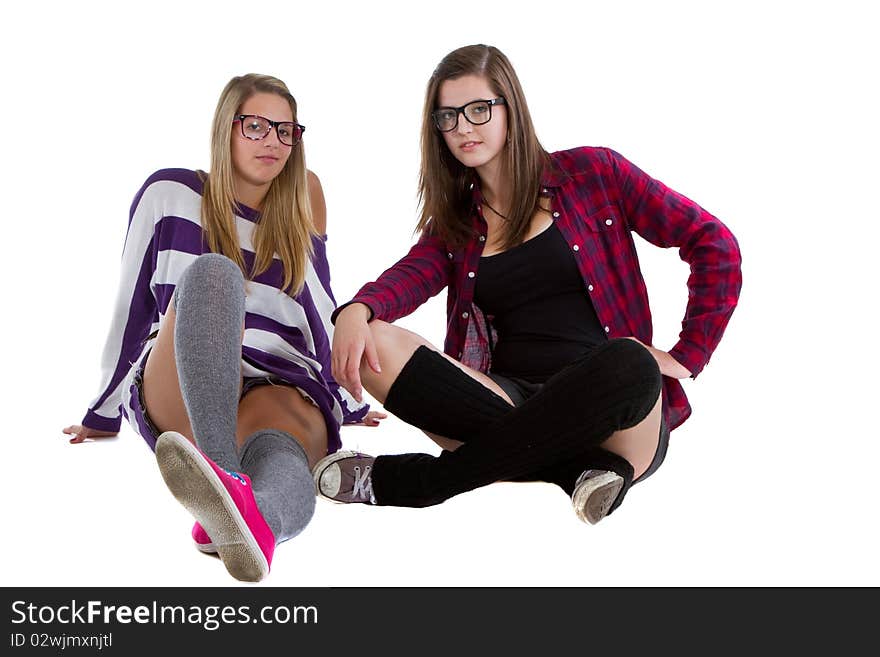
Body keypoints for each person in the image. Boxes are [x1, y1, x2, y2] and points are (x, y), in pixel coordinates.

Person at [315, 44, 741, 523]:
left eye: (479, 109)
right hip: (503, 399)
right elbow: (407, 277)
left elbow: (714, 244)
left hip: (614, 414)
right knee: (372, 339)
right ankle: (576, 472)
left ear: (510, 107)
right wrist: (355, 310)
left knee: (631, 360)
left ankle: (424, 483)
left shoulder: (594, 173)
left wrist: (690, 355)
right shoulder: (457, 226)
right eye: (448, 117)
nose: (463, 128)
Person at [62, 73, 382, 581]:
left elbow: (319, 300)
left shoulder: (305, 195)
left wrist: (348, 398)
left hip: (278, 377)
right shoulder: (169, 192)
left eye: (285, 130)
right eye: (255, 126)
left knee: (284, 458)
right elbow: (131, 304)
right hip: (186, 370)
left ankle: (254, 523)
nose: (272, 141)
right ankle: (222, 473)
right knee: (215, 273)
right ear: (226, 129)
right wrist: (102, 412)